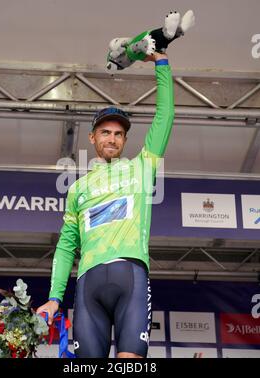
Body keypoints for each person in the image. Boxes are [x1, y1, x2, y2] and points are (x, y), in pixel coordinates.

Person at [37, 51, 174, 358]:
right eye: (105, 132)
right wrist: (54, 298)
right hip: (88, 285)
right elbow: (65, 246)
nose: (112, 139)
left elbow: (165, 117)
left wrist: (161, 63)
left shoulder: (142, 168)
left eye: (119, 134)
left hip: (132, 279)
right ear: (92, 137)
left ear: (125, 140)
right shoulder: (78, 190)